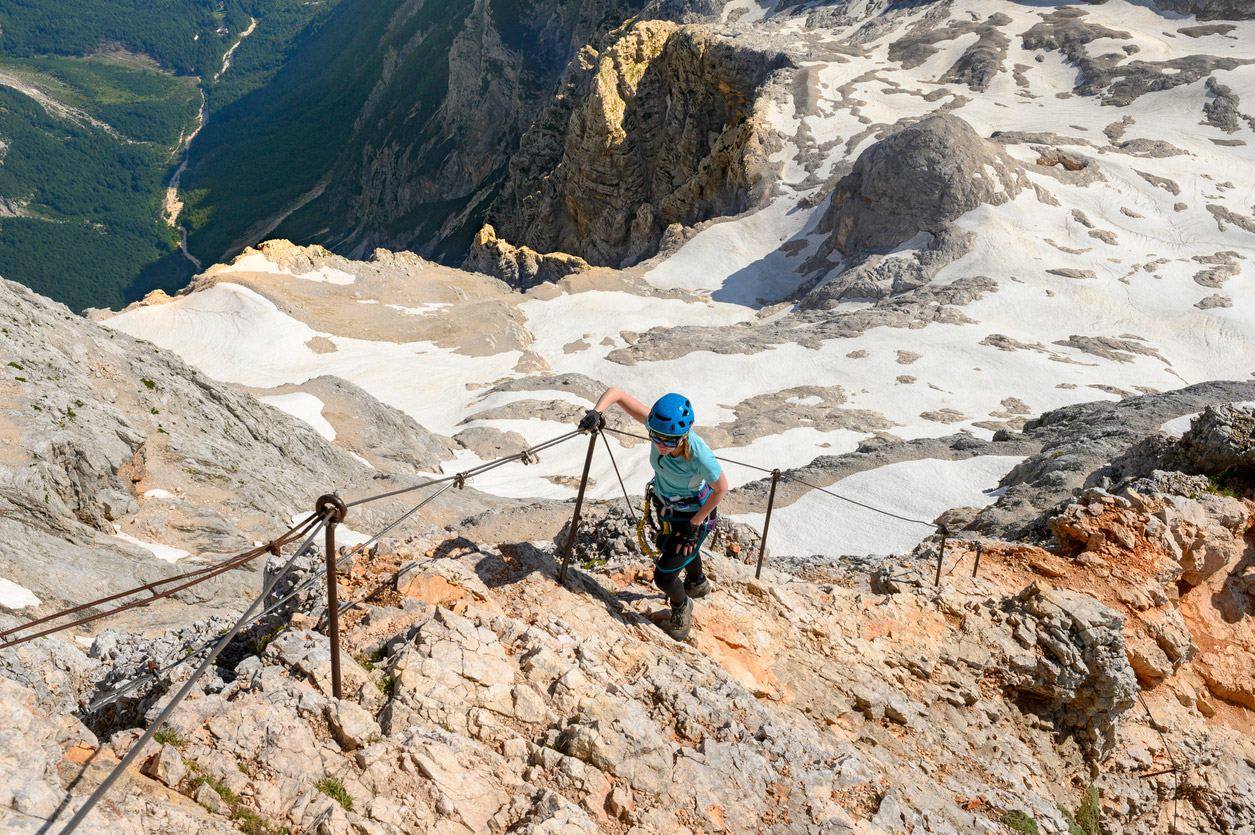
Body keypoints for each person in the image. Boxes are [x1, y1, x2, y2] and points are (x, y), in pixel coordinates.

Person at [579, 388, 728, 641]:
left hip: (692, 514)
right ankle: (697, 582)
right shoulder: (659, 427)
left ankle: (682, 605)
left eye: (669, 442)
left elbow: (721, 489)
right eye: (655, 438)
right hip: (668, 507)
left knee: (664, 577)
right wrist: (596, 412)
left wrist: (695, 523)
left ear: (683, 436)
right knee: (681, 549)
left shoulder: (700, 456)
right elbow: (616, 393)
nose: (660, 445)